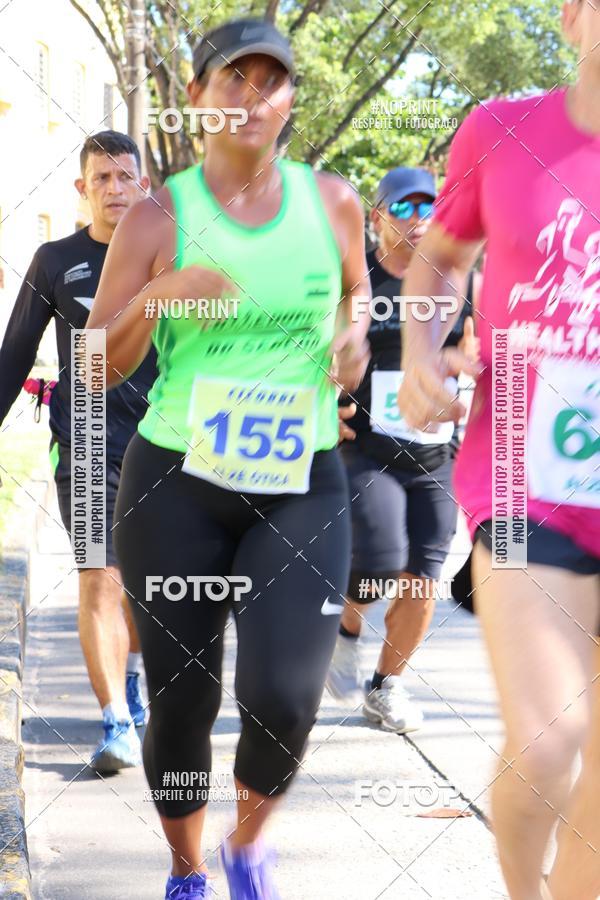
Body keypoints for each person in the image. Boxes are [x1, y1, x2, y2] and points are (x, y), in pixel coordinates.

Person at [86, 18, 371, 900]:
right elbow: (96, 364)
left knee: (286, 693)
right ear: (197, 97)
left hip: (301, 481)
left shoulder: (333, 202)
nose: (252, 98)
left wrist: (355, 337)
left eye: (270, 80)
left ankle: (248, 849)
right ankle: (188, 869)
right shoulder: (158, 215)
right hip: (177, 485)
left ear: (291, 98)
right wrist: (160, 293)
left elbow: (357, 291)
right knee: (181, 698)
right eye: (231, 80)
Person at [397, 1, 600, 897]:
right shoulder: (503, 131)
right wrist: (419, 351)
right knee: (551, 738)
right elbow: (441, 256)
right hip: (522, 469)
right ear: (572, 16)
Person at [0, 131, 156, 772]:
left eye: (125, 176)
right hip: (88, 436)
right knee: (99, 577)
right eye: (102, 179)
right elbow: (13, 354)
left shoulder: (174, 254)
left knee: (147, 587)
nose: (115, 189)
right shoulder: (55, 260)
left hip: (164, 439)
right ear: (82, 189)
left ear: (144, 183)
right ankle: (115, 720)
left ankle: (135, 681)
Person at [327, 167, 480, 732]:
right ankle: (344, 631)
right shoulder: (357, 280)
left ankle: (386, 686)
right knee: (379, 559)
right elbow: (320, 354)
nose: (418, 220)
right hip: (368, 451)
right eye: (404, 208)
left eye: (428, 208)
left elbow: (481, 358)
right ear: (377, 217)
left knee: (423, 579)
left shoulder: (458, 282)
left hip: (436, 457)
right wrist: (325, 405)